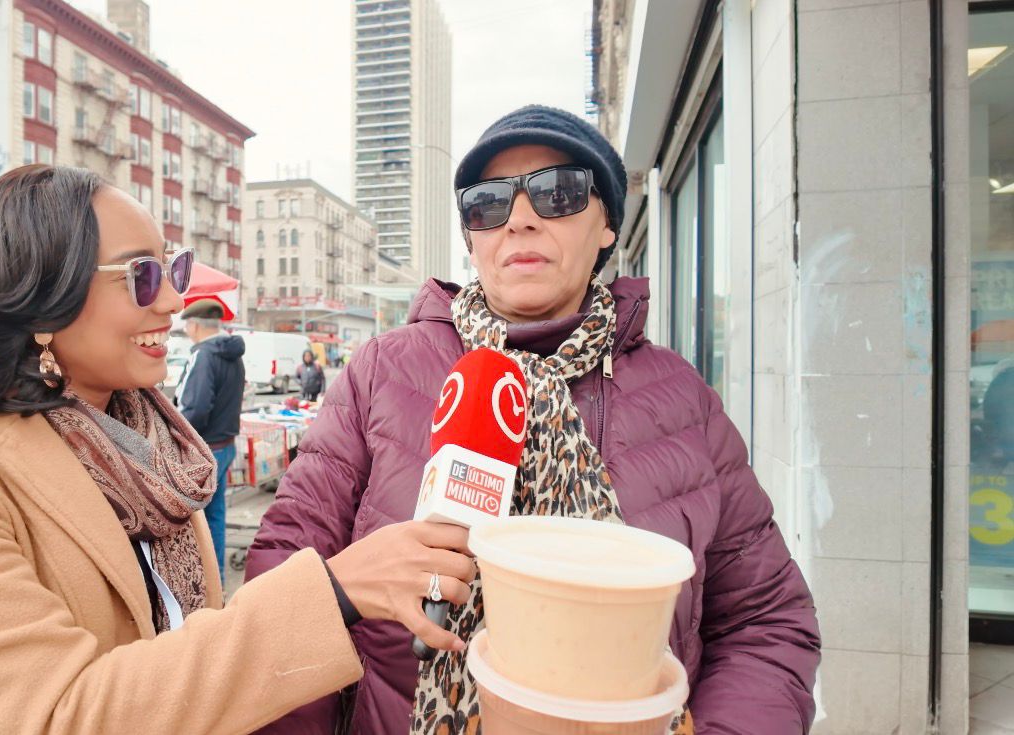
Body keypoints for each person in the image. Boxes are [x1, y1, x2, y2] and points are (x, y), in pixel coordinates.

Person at [0, 164, 480, 735]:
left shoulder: (152, 448)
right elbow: (56, 713)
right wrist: (335, 591)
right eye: (142, 275)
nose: (174, 300)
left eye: (171, 270)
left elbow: (188, 656)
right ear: (38, 299)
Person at [247, 105, 821, 734]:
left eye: (557, 192)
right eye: (487, 203)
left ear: (606, 223)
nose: (519, 218)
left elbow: (763, 620)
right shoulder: (381, 372)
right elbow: (288, 584)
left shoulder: (685, 399)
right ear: (473, 237)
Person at [176, 299, 245, 583]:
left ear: (194, 326)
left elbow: (196, 408)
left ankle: (203, 580)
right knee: (215, 515)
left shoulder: (204, 356)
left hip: (205, 449)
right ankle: (216, 577)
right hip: (225, 444)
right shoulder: (232, 354)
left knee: (195, 521)